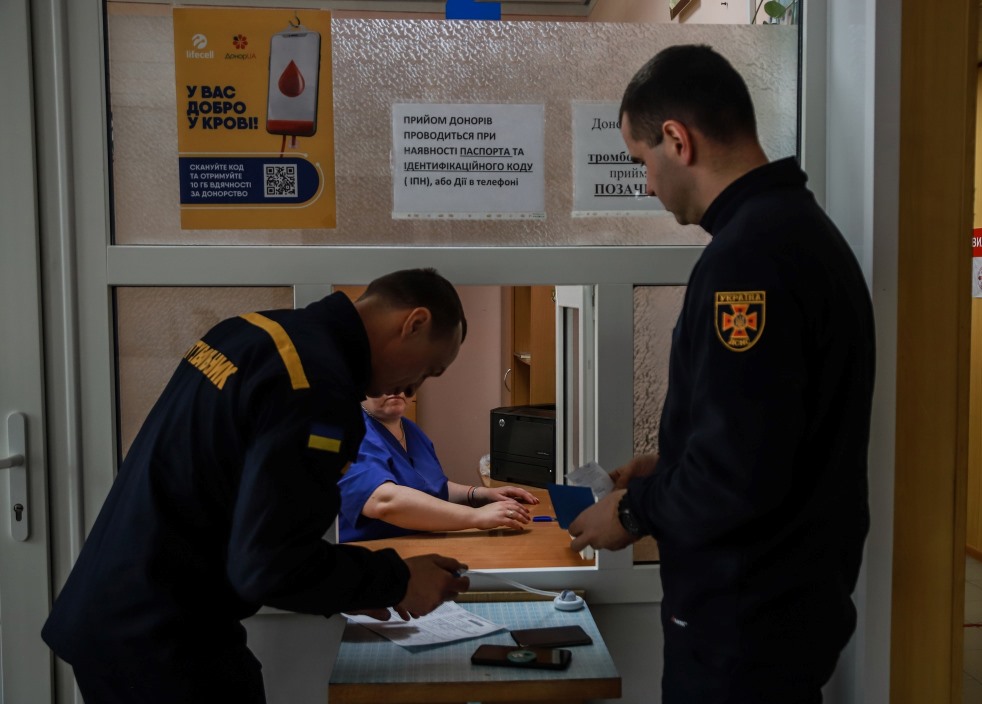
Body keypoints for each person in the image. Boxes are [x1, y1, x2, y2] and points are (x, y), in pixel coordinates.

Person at [567, 45, 875, 704]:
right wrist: (671, 463)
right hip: (781, 614)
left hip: (746, 627)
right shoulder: (798, 232)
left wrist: (633, 510)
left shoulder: (750, 261)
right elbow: (771, 436)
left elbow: (739, 474)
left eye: (641, 161)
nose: (646, 186)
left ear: (677, 140)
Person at [41, 268, 473, 703]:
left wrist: (350, 589)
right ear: (414, 323)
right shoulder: (314, 385)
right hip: (161, 637)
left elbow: (228, 504)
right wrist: (397, 580)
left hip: (118, 607)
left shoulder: (248, 333)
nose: (414, 386)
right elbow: (271, 565)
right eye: (429, 369)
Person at [337, 392, 539, 541]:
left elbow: (431, 487)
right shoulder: (350, 431)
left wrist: (478, 494)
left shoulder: (409, 429)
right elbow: (383, 501)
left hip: (419, 545)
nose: (396, 388)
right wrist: (477, 516)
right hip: (371, 556)